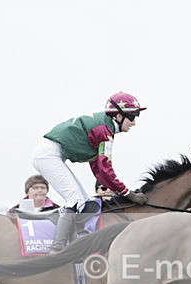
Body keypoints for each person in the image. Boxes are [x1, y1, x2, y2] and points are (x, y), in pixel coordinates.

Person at [32, 92, 149, 251]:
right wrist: (128, 193)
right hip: (48, 155)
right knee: (75, 200)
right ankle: (57, 249)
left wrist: (122, 191)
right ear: (118, 116)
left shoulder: (104, 126)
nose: (134, 122)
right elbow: (106, 170)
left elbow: (99, 171)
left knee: (85, 203)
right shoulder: (105, 131)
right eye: (132, 116)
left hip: (52, 154)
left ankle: (74, 242)